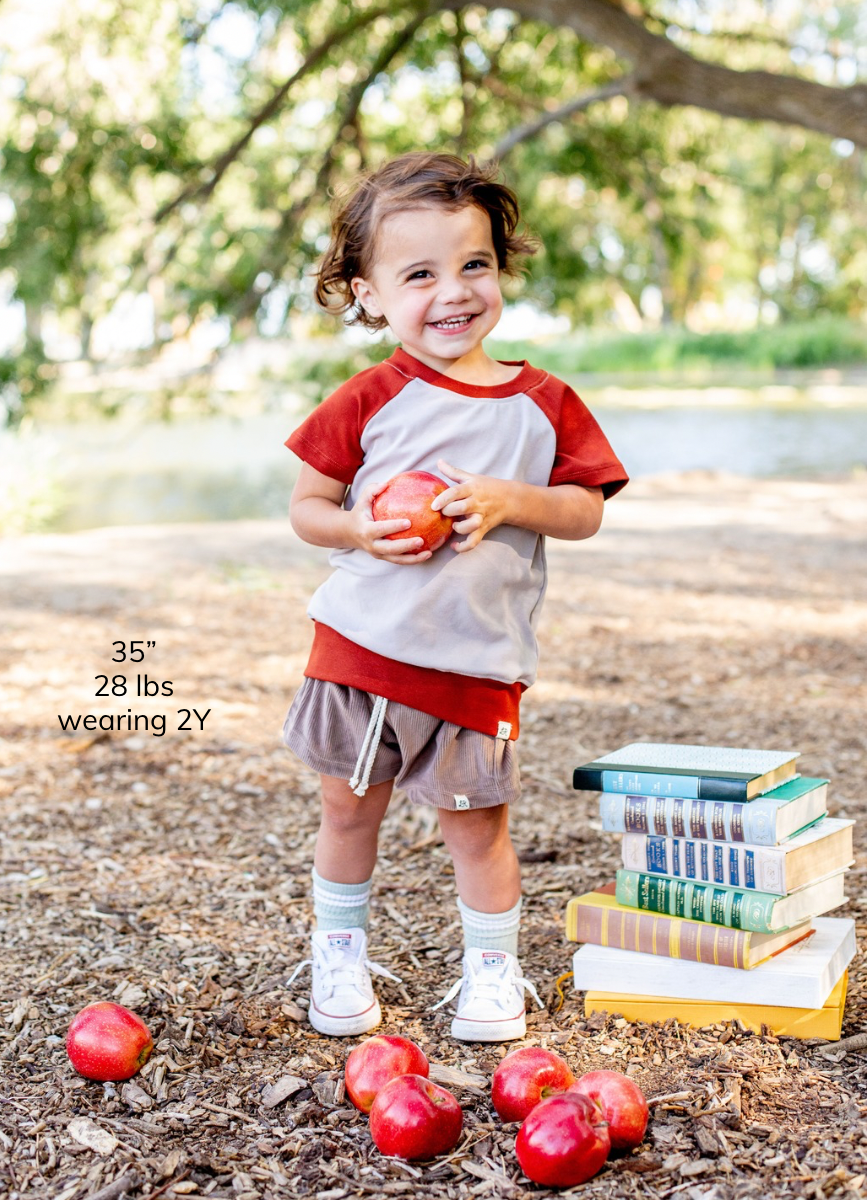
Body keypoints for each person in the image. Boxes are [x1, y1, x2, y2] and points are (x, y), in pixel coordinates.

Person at [282, 151, 628, 1042]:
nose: (453, 291)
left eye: (473, 264)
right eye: (420, 274)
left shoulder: (543, 402)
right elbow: (308, 509)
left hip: (477, 663)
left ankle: (491, 971)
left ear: (500, 266)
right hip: (363, 649)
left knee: (477, 829)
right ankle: (340, 953)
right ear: (369, 294)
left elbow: (584, 511)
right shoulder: (369, 397)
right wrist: (360, 530)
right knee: (346, 807)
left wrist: (516, 501)